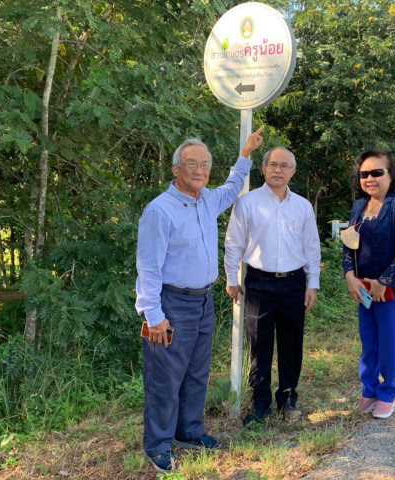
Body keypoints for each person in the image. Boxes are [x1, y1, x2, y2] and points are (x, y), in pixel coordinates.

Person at [135, 126, 265, 473]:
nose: (199, 170)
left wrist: (247, 153)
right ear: (175, 168)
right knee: (165, 377)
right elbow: (147, 266)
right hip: (171, 304)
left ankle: (189, 432)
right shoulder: (160, 211)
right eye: (191, 163)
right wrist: (153, 314)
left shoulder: (207, 199)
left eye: (205, 165)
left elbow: (234, 185)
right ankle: (158, 444)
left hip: (203, 302)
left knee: (196, 373)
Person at [224, 146, 321, 427]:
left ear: (293, 171)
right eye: (272, 164)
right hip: (259, 283)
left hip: (293, 283)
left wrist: (311, 283)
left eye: (283, 165)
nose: (277, 170)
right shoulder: (247, 203)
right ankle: (260, 402)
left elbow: (311, 248)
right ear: (263, 169)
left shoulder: (302, 206)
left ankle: (288, 399)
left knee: (292, 343)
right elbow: (233, 243)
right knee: (260, 344)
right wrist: (232, 279)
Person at [342, 149, 395, 419]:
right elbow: (349, 245)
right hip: (364, 287)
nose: (370, 178)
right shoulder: (358, 207)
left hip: (393, 288)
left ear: (390, 174)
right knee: (369, 341)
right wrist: (350, 276)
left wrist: (382, 282)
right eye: (364, 174)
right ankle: (369, 390)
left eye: (377, 172)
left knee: (390, 342)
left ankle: (388, 393)